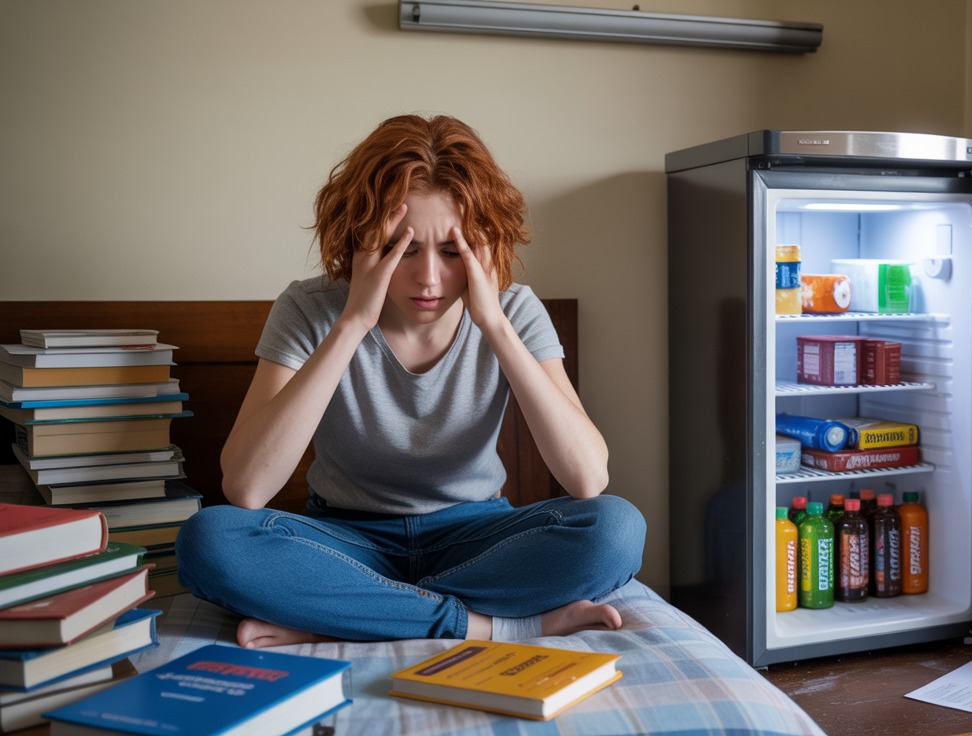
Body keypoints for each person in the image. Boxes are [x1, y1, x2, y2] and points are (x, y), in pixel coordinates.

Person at [176, 114, 646, 648]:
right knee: (208, 539)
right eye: (402, 249)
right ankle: (482, 624)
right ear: (362, 242)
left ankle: (351, 611)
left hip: (478, 538)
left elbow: (587, 480)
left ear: (485, 245)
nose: (428, 279)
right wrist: (353, 322)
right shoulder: (309, 309)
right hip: (345, 539)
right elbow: (247, 486)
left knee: (616, 529)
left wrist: (494, 324)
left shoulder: (513, 310)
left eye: (452, 252)